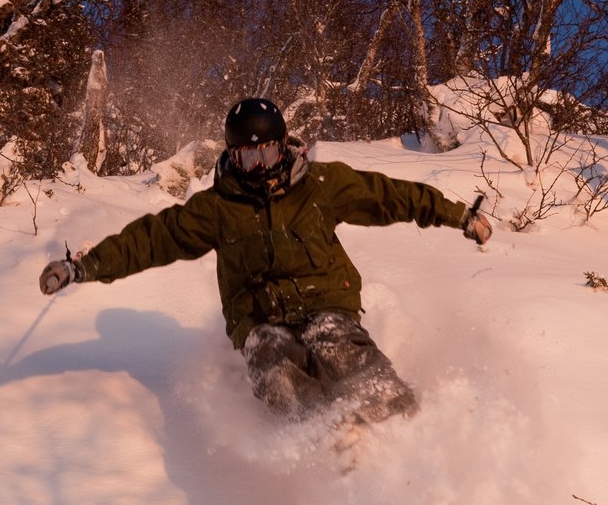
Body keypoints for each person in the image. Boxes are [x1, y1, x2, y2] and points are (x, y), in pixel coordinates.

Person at [40, 97, 491, 427]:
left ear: (284, 146)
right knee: (268, 361)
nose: (260, 167)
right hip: (260, 322)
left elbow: (392, 196)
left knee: (334, 342)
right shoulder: (217, 207)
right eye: (247, 157)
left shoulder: (320, 184)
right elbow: (151, 240)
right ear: (232, 156)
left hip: (327, 306)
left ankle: (403, 425)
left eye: (267, 154)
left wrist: (459, 217)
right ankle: (331, 436)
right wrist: (85, 266)